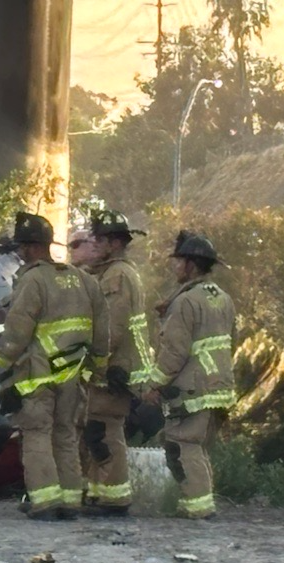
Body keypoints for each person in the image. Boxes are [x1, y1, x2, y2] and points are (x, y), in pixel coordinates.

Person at [0, 212, 109, 522]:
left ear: (31, 247)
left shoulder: (32, 280)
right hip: (73, 375)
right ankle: (70, 501)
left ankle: (44, 502)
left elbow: (17, 330)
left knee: (37, 434)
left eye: (21, 247)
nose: (19, 253)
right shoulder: (84, 280)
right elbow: (102, 332)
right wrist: (96, 369)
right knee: (66, 434)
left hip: (38, 375)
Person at [142, 231, 236, 519]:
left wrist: (153, 384)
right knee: (191, 445)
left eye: (178, 261)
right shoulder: (223, 298)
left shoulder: (186, 302)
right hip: (219, 387)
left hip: (194, 388)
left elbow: (174, 352)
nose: (174, 266)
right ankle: (191, 503)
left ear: (191, 265)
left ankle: (199, 508)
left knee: (185, 444)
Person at [79, 210, 158, 518]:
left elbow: (111, 326)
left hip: (115, 368)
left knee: (106, 429)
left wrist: (96, 362)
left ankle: (114, 498)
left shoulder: (117, 276)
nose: (94, 244)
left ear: (114, 243)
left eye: (100, 239)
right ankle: (99, 493)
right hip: (113, 366)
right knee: (97, 429)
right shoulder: (114, 272)